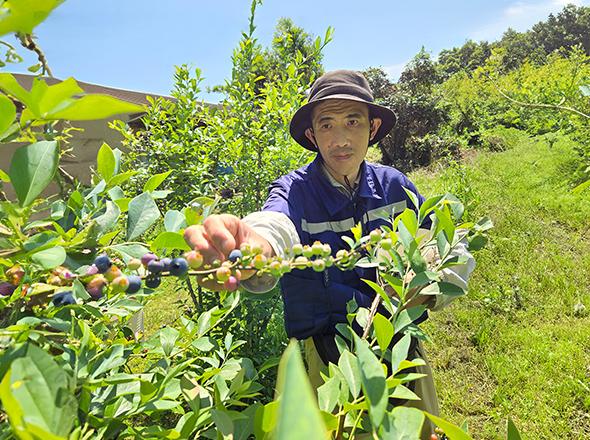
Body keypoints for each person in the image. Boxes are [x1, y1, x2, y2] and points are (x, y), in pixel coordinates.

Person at [184, 70, 475, 438]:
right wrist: (254, 249)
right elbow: (275, 225)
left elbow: (448, 243)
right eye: (326, 125)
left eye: (353, 121)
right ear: (312, 134)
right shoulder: (295, 192)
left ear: (371, 129)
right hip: (329, 359)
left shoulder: (396, 188)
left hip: (401, 351)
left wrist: (433, 285)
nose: (341, 139)